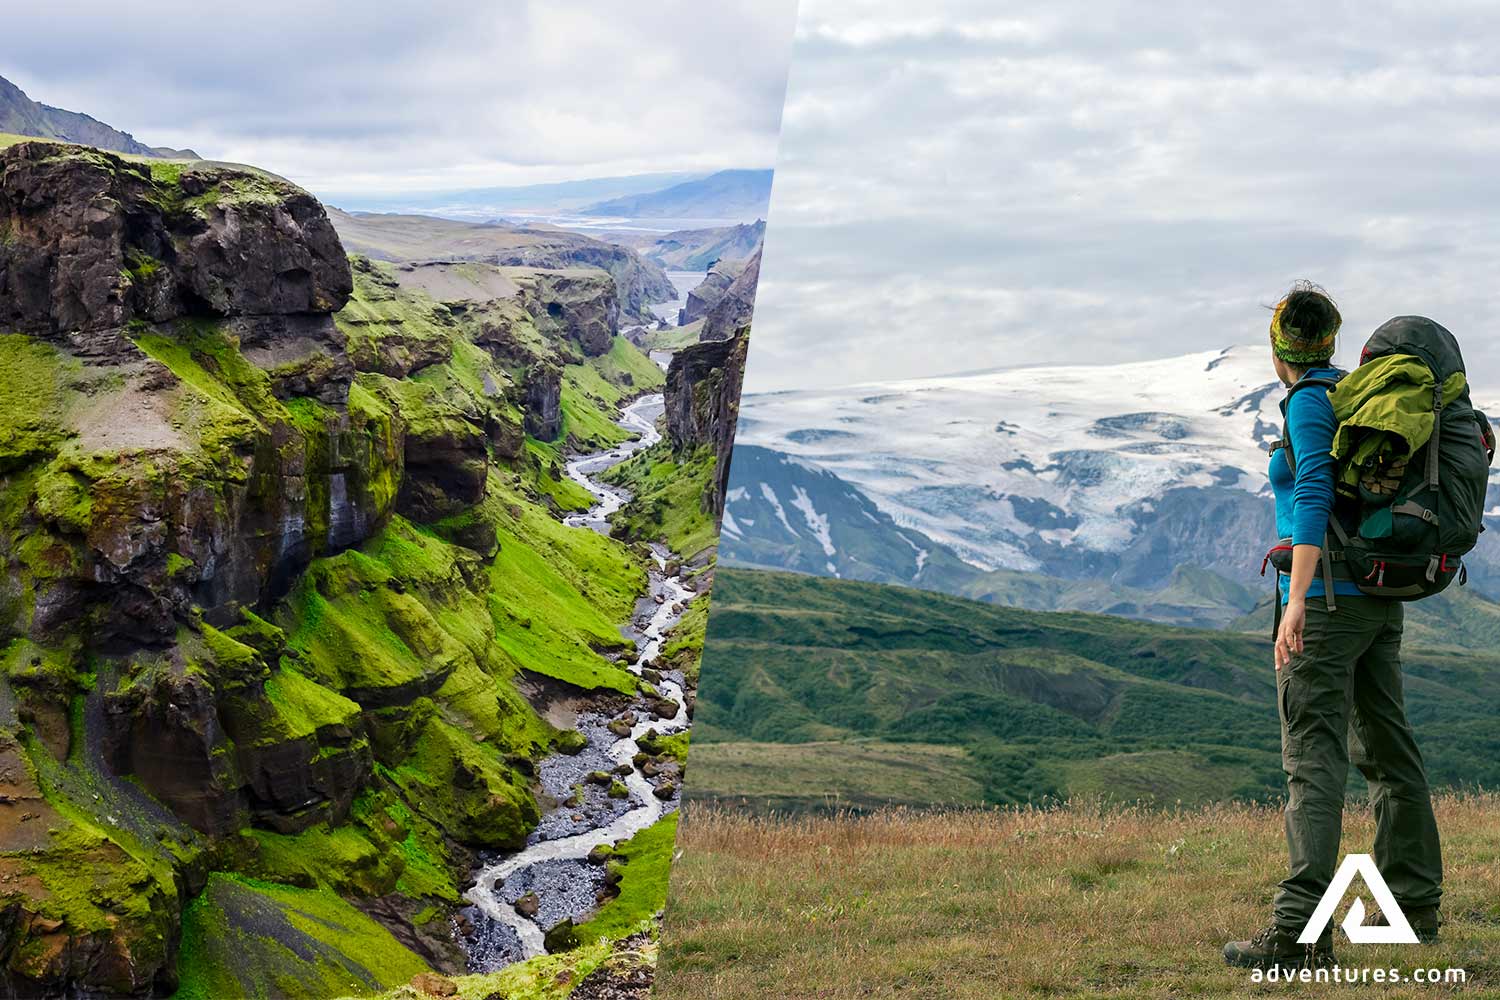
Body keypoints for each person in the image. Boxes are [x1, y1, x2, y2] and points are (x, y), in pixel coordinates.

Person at [1222, 282, 1443, 971]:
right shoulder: (1353, 395)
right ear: (1330, 342)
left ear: (1278, 347)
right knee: (1386, 748)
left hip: (1327, 606)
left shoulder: (1311, 404)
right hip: (1376, 599)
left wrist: (1298, 597)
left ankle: (1297, 934)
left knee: (1313, 759)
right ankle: (1412, 908)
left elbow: (1313, 485)